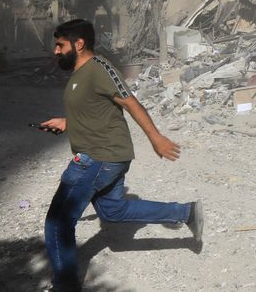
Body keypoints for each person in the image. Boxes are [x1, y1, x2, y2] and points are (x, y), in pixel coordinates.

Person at [41, 19, 203, 291]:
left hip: (99, 157)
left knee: (58, 223)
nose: (56, 51)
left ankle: (65, 286)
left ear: (79, 44)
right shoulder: (79, 73)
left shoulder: (100, 68)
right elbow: (92, 109)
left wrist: (156, 137)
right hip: (103, 155)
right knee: (113, 211)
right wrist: (67, 122)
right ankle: (187, 213)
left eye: (60, 45)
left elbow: (130, 102)